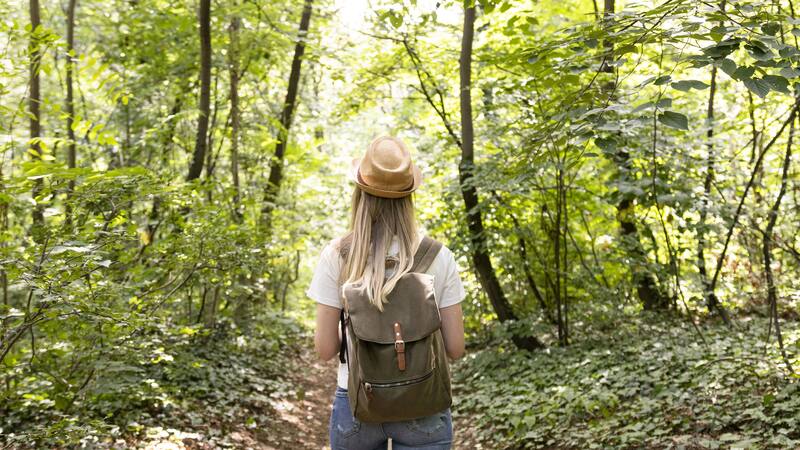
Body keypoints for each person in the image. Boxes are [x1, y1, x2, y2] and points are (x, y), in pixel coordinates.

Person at [307, 135, 466, 450]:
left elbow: (325, 349)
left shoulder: (337, 255)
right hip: (425, 402)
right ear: (409, 197)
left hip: (358, 404)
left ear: (360, 193)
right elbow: (455, 347)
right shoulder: (438, 256)